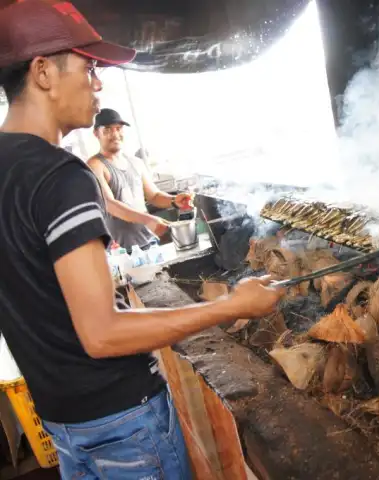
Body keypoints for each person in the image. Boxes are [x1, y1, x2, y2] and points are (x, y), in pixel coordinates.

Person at [0, 1, 284, 479]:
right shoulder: (63, 176)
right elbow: (102, 334)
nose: (98, 83)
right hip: (122, 419)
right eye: (89, 68)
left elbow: (39, 295)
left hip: (63, 418)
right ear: (43, 71)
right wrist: (231, 306)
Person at [88, 108, 188, 251]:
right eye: (108, 130)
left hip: (150, 242)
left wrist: (174, 201)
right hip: (120, 251)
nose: (115, 134)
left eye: (118, 129)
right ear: (96, 133)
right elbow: (110, 204)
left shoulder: (136, 163)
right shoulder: (95, 165)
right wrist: (148, 219)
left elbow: (154, 196)